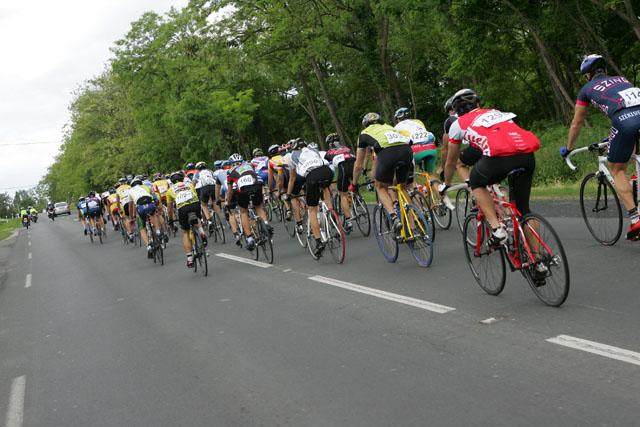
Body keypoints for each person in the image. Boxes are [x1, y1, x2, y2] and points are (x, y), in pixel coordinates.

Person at [442, 89, 540, 248]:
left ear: (456, 111)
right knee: (524, 211)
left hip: (499, 156)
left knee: (476, 181)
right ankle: (538, 258)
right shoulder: (495, 112)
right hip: (527, 154)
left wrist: (446, 183)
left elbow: (451, 161)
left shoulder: (457, 124)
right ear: (478, 104)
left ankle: (497, 229)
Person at [561, 54, 640, 240]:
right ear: (604, 69)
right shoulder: (622, 79)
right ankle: (635, 184)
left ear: (588, 75)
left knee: (617, 169)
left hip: (625, 122)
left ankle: (636, 219)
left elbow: (577, 123)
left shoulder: (586, 89)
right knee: (634, 156)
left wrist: (569, 148)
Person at [351, 112, 413, 232]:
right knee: (401, 187)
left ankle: (394, 217)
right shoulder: (389, 127)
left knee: (380, 187)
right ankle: (413, 225)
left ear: (366, 124)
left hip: (387, 153)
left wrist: (354, 183)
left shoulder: (364, 134)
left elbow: (358, 165)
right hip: (406, 150)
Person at [285, 138, 334, 256]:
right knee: (325, 189)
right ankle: (331, 212)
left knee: (312, 209)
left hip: (312, 175)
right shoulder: (313, 149)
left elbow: (292, 178)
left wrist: (288, 194)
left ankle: (318, 241)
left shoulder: (291, 156)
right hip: (326, 171)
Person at [226, 154, 272, 251]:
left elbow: (230, 191)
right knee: (258, 206)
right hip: (257, 184)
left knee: (243, 211)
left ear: (231, 164)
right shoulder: (249, 165)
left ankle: (249, 238)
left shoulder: (230, 172)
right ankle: (266, 224)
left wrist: (228, 202)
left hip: (243, 188)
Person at [166, 170, 207, 268]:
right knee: (197, 217)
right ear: (182, 179)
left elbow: (169, 208)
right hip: (195, 204)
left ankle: (189, 258)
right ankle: (201, 232)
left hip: (182, 208)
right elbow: (196, 196)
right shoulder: (189, 184)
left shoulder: (170, 190)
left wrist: (170, 219)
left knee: (185, 231)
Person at [324, 133, 356, 232]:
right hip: (354, 163)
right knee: (352, 185)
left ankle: (348, 220)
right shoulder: (346, 148)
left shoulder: (329, 153)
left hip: (343, 167)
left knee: (342, 194)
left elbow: (330, 168)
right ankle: (356, 198)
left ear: (330, 144)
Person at [393, 107, 437, 173]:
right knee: (429, 174)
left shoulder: (397, 127)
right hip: (432, 148)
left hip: (416, 152)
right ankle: (430, 176)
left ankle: (410, 177)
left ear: (398, 119)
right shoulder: (418, 121)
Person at [129, 177, 162, 258]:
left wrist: (132, 217)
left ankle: (148, 247)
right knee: (153, 215)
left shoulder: (130, 191)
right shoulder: (146, 187)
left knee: (142, 228)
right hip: (150, 204)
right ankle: (158, 231)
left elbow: (131, 206)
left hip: (140, 207)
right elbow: (154, 197)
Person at [194, 161, 217, 232]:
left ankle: (209, 221)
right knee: (214, 201)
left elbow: (194, 182)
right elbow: (215, 179)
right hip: (213, 186)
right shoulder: (210, 171)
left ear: (197, 168)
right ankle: (217, 218)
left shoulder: (197, 173)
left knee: (204, 205)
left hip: (204, 188)